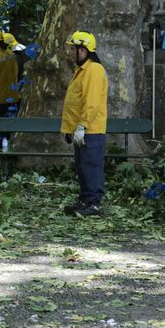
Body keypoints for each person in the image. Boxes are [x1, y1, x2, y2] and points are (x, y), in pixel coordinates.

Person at [62, 31, 108, 217]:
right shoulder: (82, 71)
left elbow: (92, 102)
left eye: (73, 49)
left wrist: (83, 126)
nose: (70, 52)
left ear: (83, 50)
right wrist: (71, 129)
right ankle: (85, 200)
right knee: (82, 167)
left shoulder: (93, 70)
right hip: (81, 129)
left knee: (91, 166)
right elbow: (76, 102)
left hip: (90, 130)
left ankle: (93, 204)